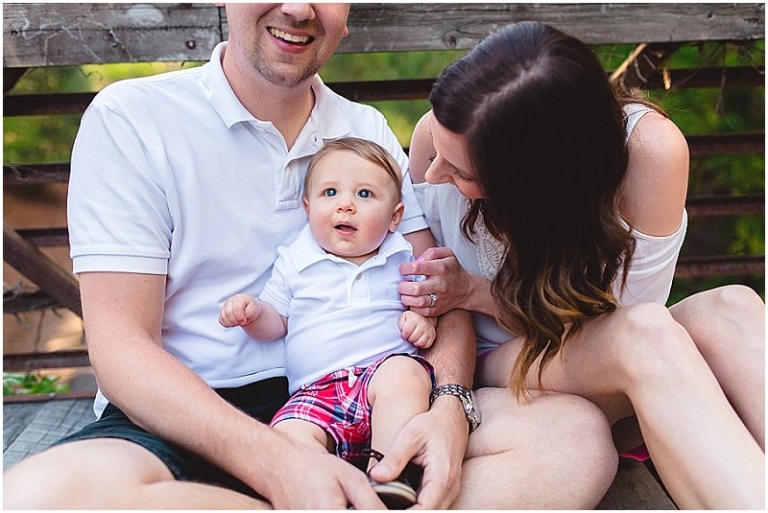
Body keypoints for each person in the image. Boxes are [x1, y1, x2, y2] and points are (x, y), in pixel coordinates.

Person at [3, 6, 618, 509]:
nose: (298, 9)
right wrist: (278, 463)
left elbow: (437, 293)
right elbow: (119, 350)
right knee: (38, 495)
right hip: (185, 417)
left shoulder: (367, 131)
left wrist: (451, 403)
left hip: (373, 397)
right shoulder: (133, 119)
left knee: (574, 440)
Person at [399, 21, 765, 509]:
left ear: (536, 180)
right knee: (646, 333)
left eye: (461, 172)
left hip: (600, 353)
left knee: (732, 307)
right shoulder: (440, 137)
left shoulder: (649, 152)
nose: (430, 174)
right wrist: (462, 296)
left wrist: (474, 289)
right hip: (493, 368)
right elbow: (630, 335)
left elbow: (611, 318)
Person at [218, 137, 436, 508]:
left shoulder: (402, 255)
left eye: (365, 194)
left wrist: (422, 321)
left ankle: (388, 474)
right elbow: (278, 322)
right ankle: (323, 486)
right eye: (330, 192)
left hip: (381, 381)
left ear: (395, 216)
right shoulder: (296, 260)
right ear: (307, 207)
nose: (346, 205)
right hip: (316, 393)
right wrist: (252, 314)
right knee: (288, 433)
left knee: (406, 375)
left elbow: (428, 303)